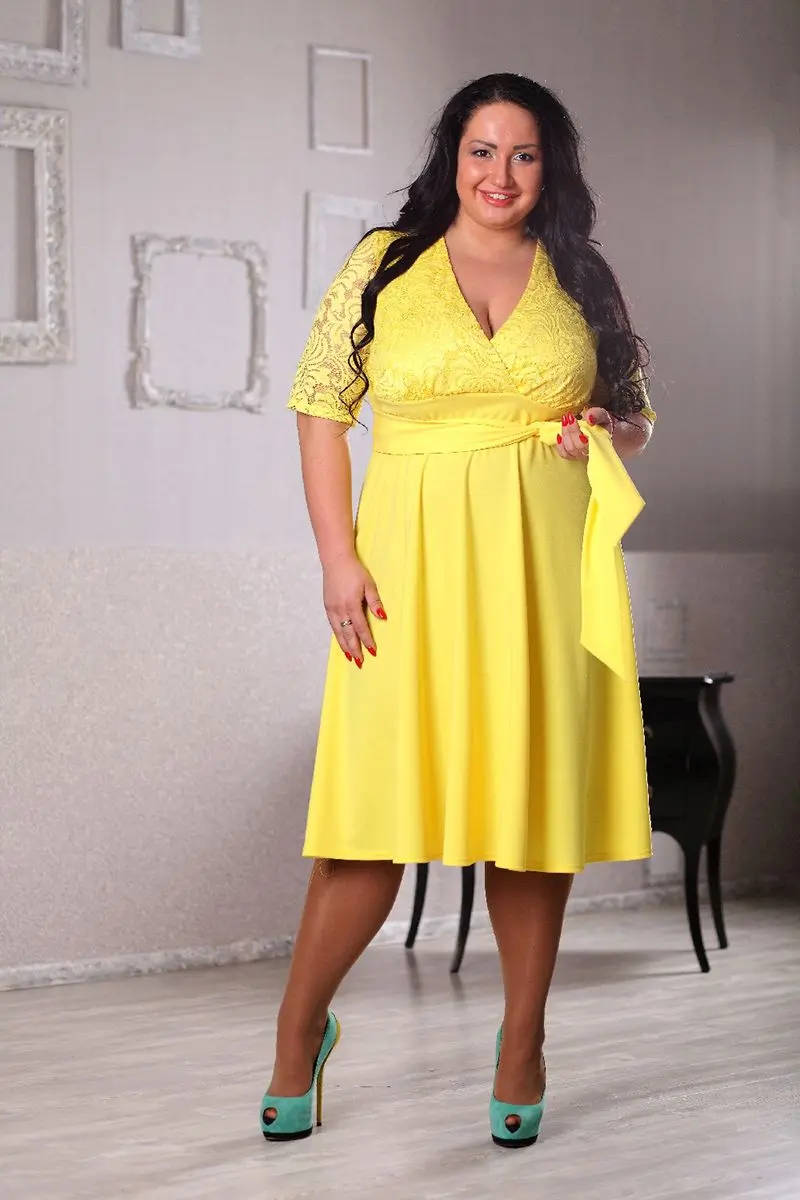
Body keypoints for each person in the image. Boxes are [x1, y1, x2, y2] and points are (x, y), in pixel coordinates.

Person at [260, 72, 655, 1149]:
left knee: (528, 816)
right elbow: (318, 409)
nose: (500, 175)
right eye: (482, 151)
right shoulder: (384, 263)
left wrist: (596, 424)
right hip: (404, 565)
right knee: (370, 820)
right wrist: (337, 561)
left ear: (549, 167)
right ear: (452, 157)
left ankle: (522, 1041)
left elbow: (632, 417)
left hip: (542, 567)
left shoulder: (580, 273)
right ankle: (298, 1034)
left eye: (523, 154)